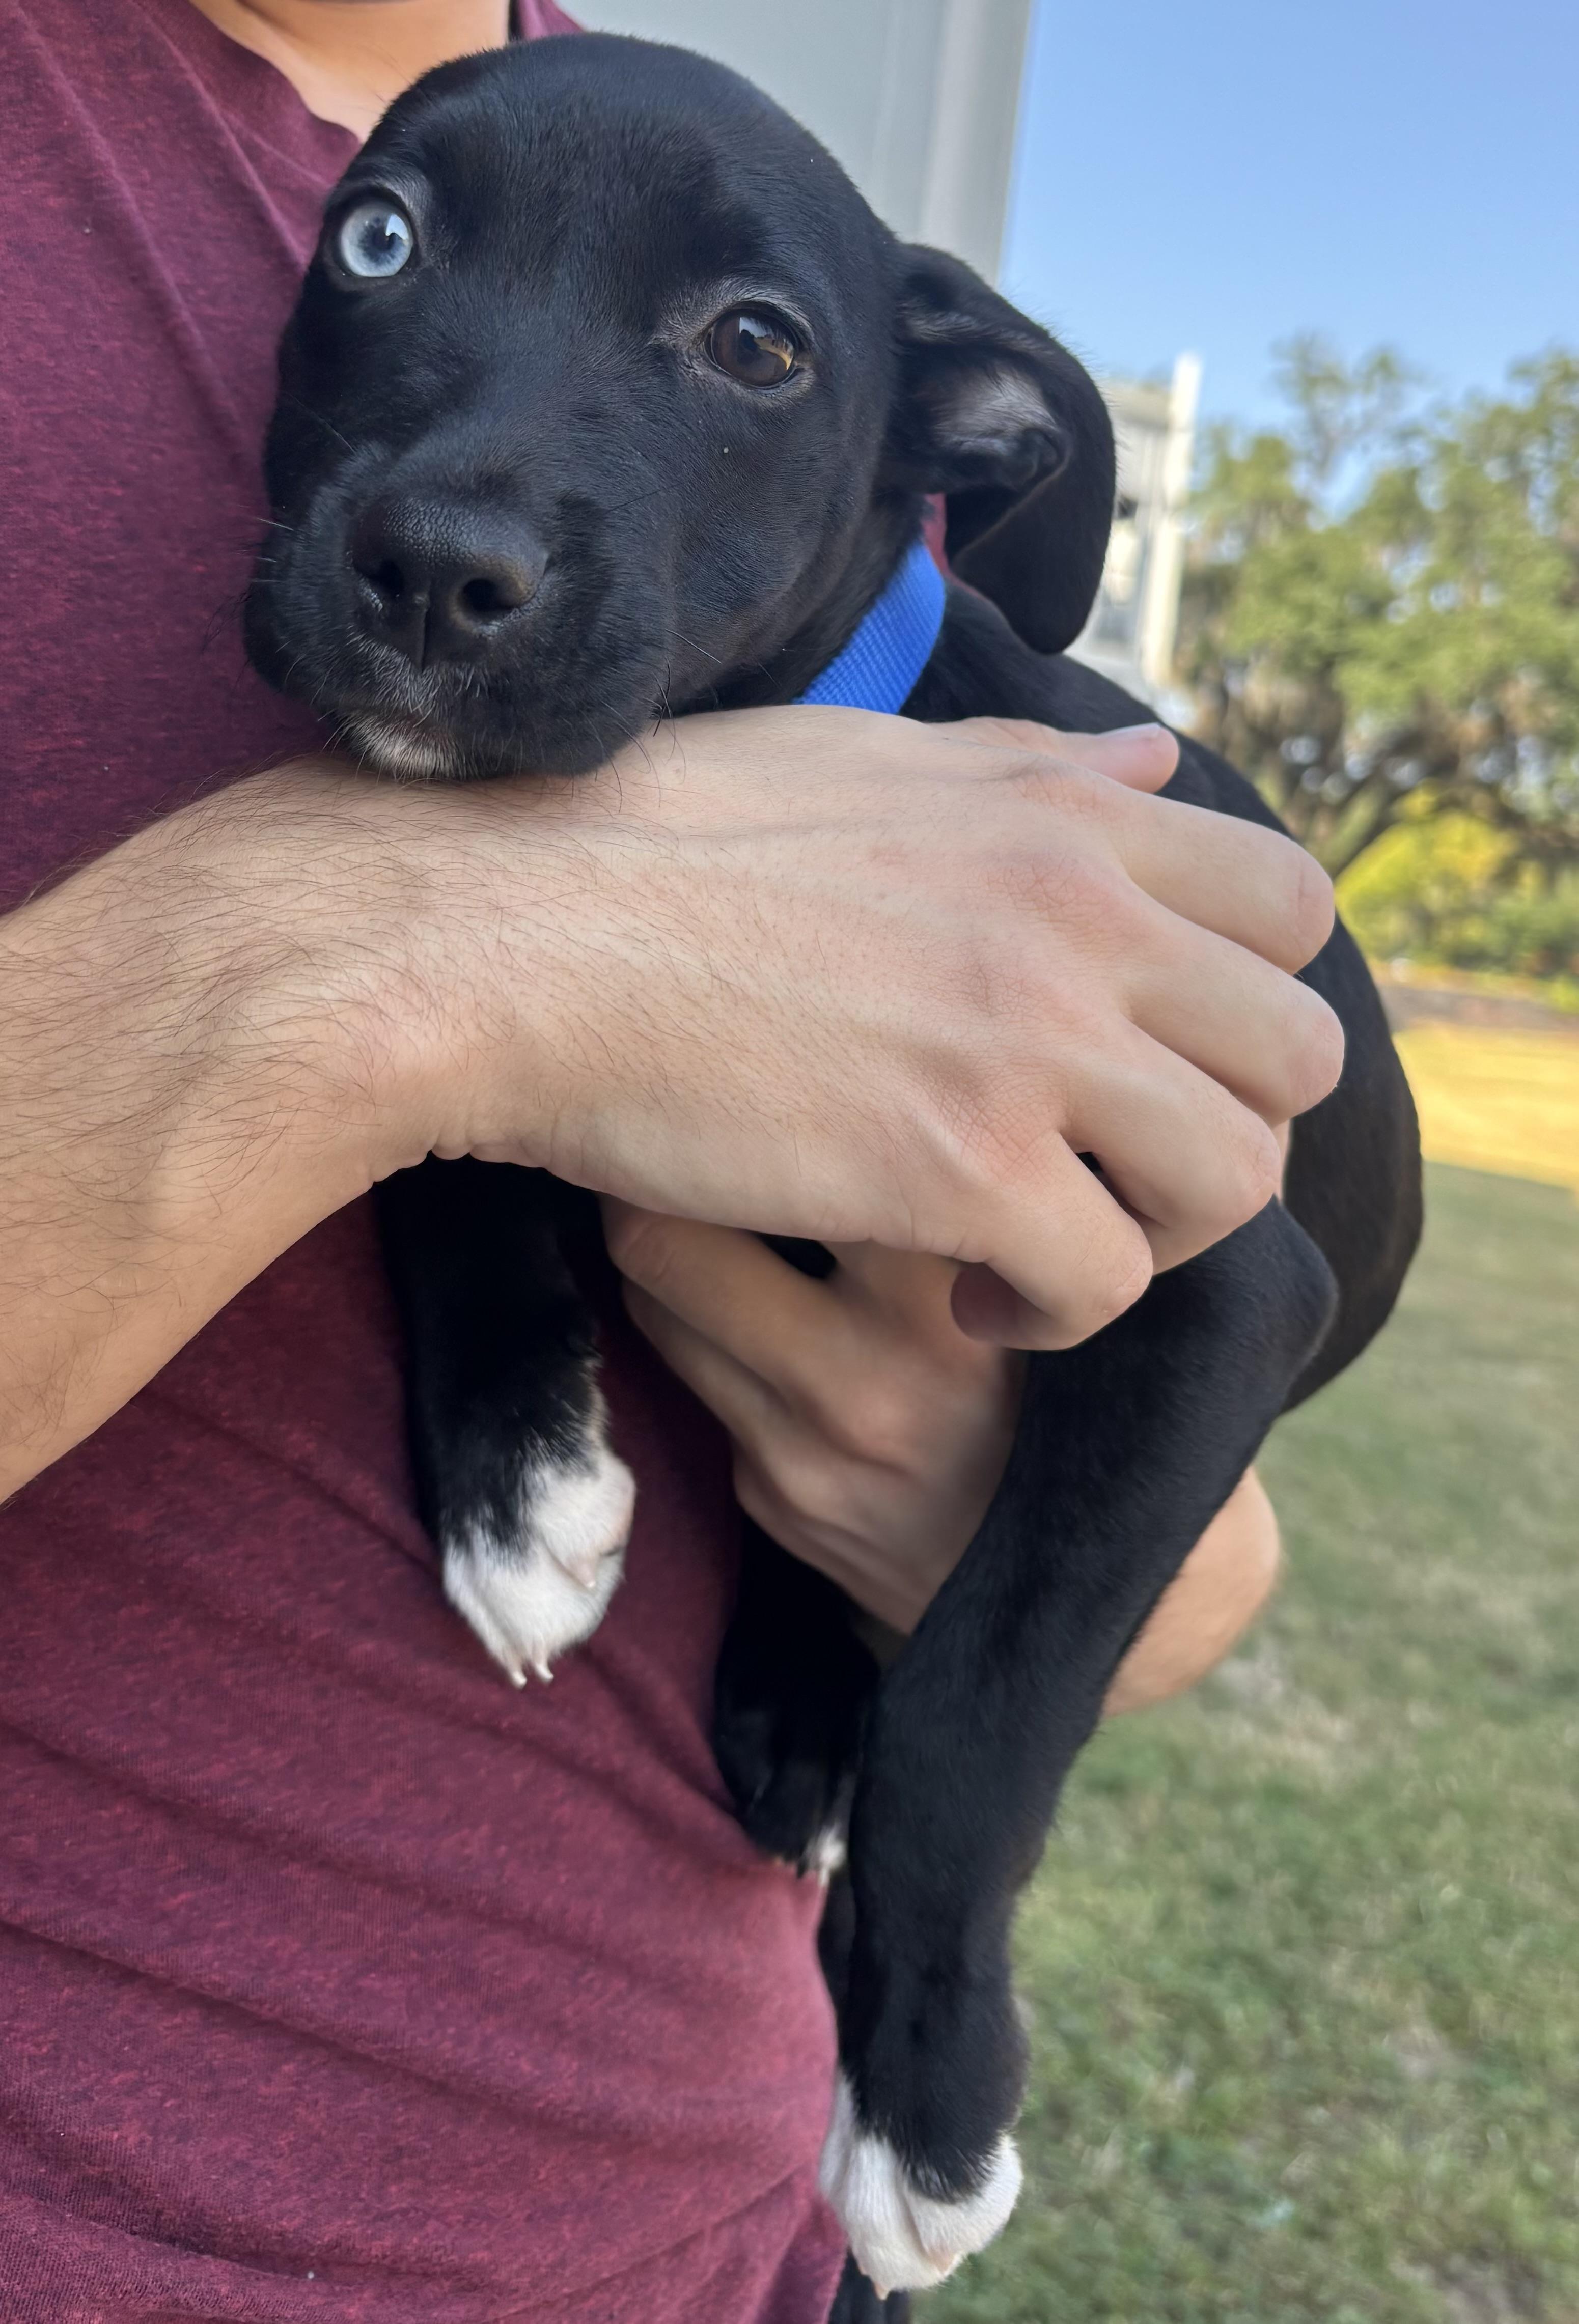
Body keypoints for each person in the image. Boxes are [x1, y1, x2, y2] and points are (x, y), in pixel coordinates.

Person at [0, 2, 1340, 2318]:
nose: (461, 516)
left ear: (949, 441)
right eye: (396, 245)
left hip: (741, 2226)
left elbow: (1238, 1309)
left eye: (738, 345)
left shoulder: (971, 747)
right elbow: (483, 1022)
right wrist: (412, 959)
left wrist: (1059, 1575)